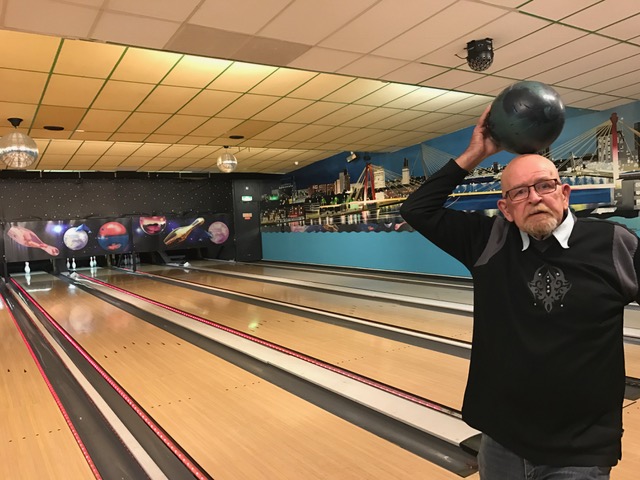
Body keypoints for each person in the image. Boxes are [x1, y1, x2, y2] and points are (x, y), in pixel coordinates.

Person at [400, 106, 637, 479]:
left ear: (564, 193)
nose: (535, 198)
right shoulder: (488, 241)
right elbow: (417, 209)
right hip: (502, 443)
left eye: (544, 186)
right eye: (519, 192)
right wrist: (474, 154)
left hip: (580, 450)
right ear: (505, 208)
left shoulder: (612, 243)